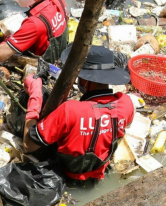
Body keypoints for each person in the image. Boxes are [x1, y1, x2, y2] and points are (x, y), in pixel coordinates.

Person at [22, 46, 135, 181]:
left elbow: (28, 145)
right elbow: (119, 126)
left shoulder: (70, 110)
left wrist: (35, 95)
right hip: (99, 173)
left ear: (86, 80)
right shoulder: (126, 103)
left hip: (65, 176)